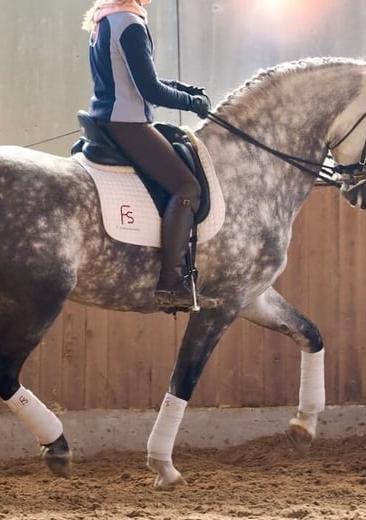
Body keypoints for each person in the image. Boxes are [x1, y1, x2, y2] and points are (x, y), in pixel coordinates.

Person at [82, 0, 214, 310]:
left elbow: (137, 78)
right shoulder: (129, 21)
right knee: (187, 188)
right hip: (127, 123)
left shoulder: (108, 17)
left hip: (107, 117)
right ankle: (171, 283)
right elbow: (150, 90)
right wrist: (191, 103)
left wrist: (183, 88)